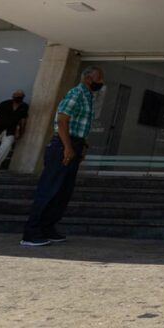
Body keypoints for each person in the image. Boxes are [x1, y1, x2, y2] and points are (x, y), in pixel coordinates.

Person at [21, 66, 104, 246]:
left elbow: (80, 125)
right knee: (49, 188)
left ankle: (48, 228)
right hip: (62, 145)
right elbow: (62, 120)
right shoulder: (76, 93)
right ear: (88, 79)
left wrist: (83, 146)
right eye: (99, 78)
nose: (101, 82)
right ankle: (31, 232)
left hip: (75, 144)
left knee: (63, 191)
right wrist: (67, 147)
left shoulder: (89, 97)